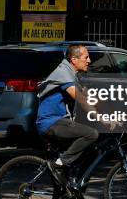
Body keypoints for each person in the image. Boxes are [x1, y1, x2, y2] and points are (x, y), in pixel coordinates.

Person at [36, 45, 99, 187]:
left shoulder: (72, 73)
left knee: (93, 151)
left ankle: (73, 189)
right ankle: (59, 164)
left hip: (60, 122)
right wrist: (102, 119)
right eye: (86, 57)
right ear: (74, 59)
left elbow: (90, 97)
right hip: (51, 123)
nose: (89, 60)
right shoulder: (64, 73)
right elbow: (81, 99)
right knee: (91, 134)